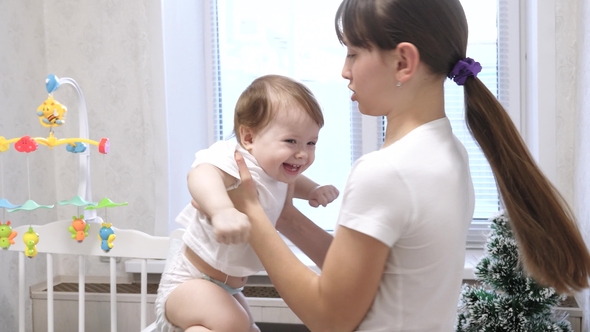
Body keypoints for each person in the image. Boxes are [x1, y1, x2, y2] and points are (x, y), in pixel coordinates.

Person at [225, 0, 590, 331]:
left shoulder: (386, 171)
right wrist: (286, 216)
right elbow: (368, 276)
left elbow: (330, 317)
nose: (344, 71)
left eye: (353, 53)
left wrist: (253, 215)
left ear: (403, 62)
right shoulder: (447, 151)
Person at [154, 74, 340, 332]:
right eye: (291, 141)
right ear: (249, 138)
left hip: (229, 287)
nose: (302, 153)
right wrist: (222, 210)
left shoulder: (278, 173)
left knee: (247, 328)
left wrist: (314, 190)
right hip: (189, 280)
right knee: (234, 324)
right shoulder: (235, 158)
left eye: (311, 143)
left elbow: (294, 180)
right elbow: (200, 174)